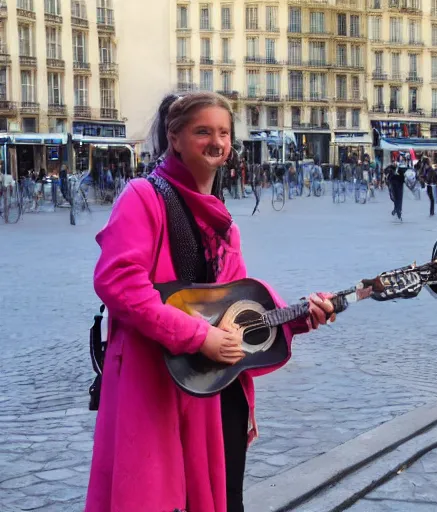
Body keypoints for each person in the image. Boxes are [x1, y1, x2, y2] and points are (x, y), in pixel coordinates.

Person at [86, 91, 336, 512]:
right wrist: (198, 336)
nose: (217, 141)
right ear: (175, 137)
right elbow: (120, 283)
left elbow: (235, 298)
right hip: (156, 379)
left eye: (223, 132)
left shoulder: (222, 220)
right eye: (203, 131)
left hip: (213, 385)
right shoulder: (143, 196)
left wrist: (297, 317)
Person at [390, 155, 406, 221]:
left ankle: (397, 211)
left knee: (396, 199)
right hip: (397, 186)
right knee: (398, 199)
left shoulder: (393, 169)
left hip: (396, 185)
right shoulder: (398, 169)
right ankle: (397, 211)